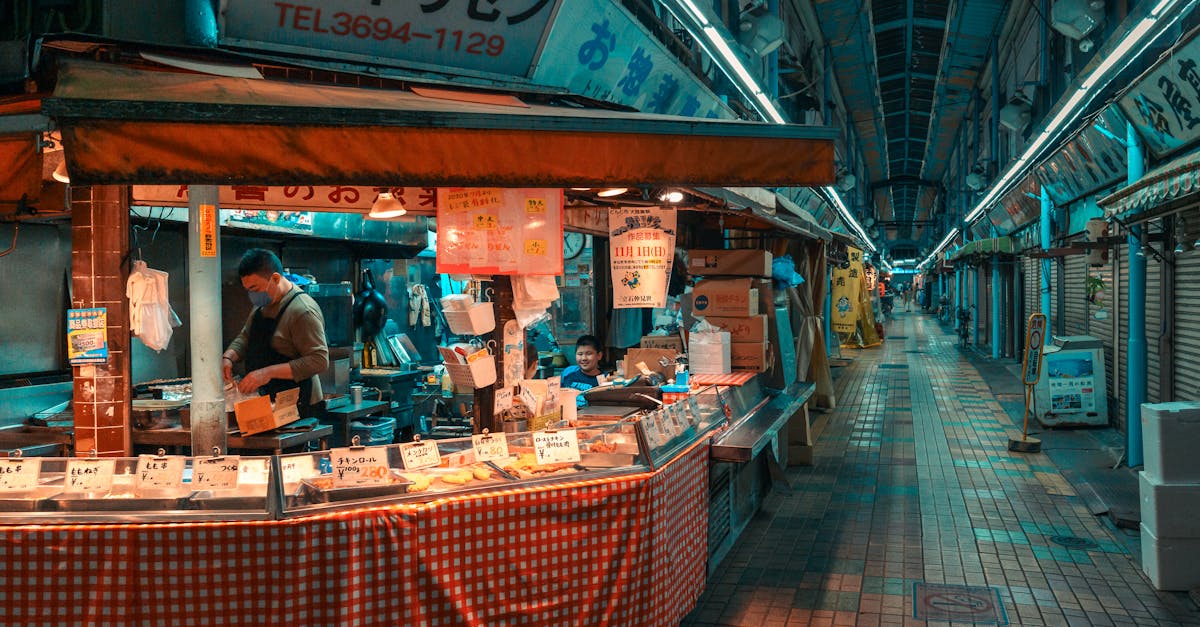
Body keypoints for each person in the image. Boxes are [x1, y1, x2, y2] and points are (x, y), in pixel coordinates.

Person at [222, 249, 329, 419]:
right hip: (268, 402)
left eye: (255, 288)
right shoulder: (263, 303)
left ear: (276, 278)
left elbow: (319, 361)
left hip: (299, 405)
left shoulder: (302, 311)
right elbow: (245, 336)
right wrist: (228, 357)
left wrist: (266, 373)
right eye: (248, 290)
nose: (252, 295)